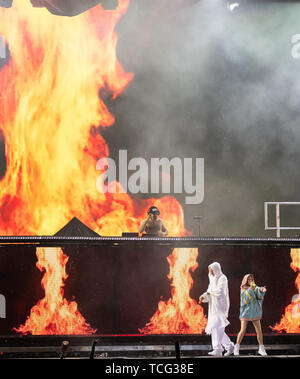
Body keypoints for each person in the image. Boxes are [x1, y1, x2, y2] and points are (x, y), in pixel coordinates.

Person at [199, 262, 234, 356]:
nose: (211, 272)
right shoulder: (212, 279)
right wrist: (203, 297)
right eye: (210, 271)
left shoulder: (223, 278)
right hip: (213, 307)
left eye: (212, 270)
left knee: (216, 327)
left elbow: (220, 291)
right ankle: (228, 346)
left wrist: (209, 292)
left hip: (221, 306)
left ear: (216, 269)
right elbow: (209, 291)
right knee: (216, 327)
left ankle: (219, 349)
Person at [234, 273, 267, 356]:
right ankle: (236, 347)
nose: (251, 281)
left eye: (252, 279)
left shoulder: (255, 287)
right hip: (246, 312)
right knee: (243, 330)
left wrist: (262, 290)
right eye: (249, 279)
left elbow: (259, 291)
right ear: (246, 280)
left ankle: (261, 348)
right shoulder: (243, 288)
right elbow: (245, 300)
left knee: (259, 331)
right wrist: (250, 290)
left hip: (255, 311)